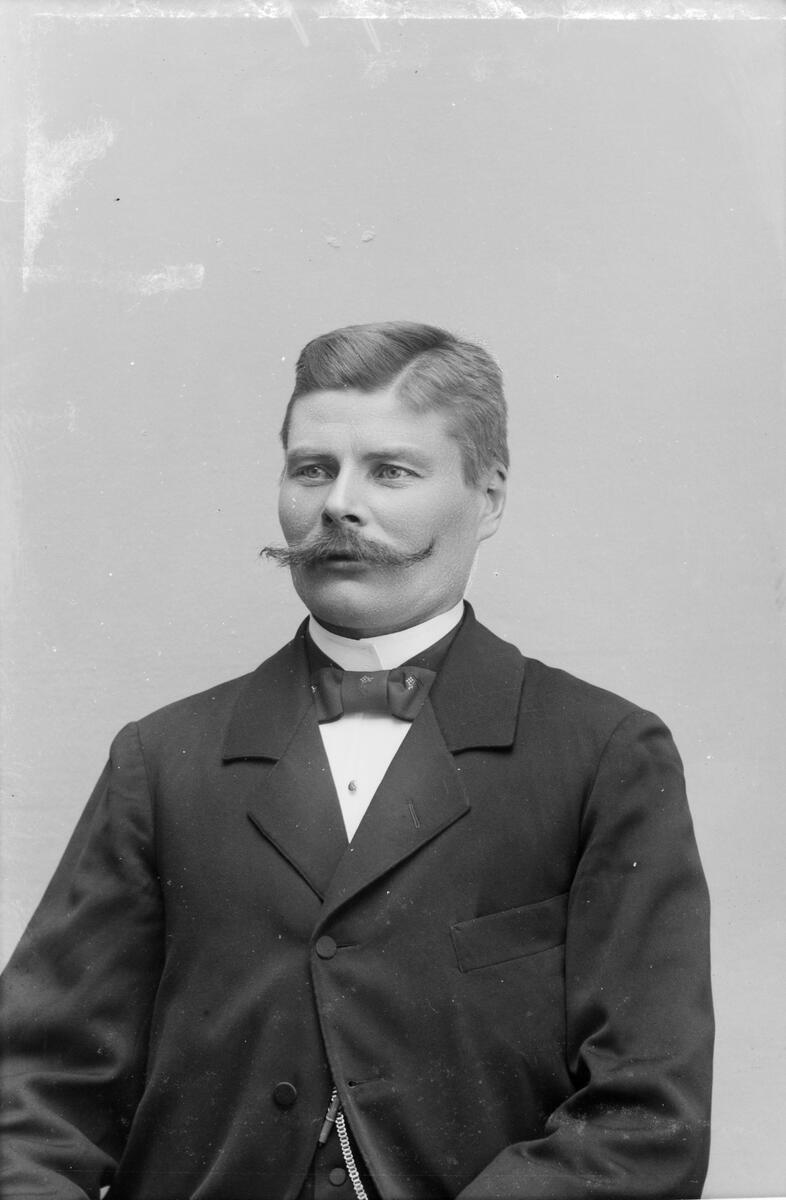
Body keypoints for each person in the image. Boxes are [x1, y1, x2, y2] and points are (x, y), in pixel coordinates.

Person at [0, 322, 713, 1200]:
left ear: (489, 497)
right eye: (312, 469)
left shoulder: (603, 754)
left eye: (391, 471)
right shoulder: (163, 759)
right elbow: (34, 1093)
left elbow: (647, 1122)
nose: (339, 504)